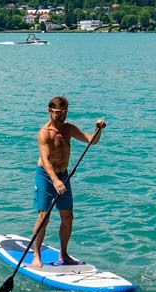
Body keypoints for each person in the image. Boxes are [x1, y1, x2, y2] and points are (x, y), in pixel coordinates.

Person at [26, 95, 105, 268]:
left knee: (68, 216)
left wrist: (98, 129)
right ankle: (36, 254)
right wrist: (54, 180)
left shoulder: (69, 129)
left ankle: (64, 254)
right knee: (44, 216)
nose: (62, 115)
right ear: (50, 111)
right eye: (58, 112)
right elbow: (46, 160)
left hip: (63, 175)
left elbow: (91, 141)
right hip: (46, 176)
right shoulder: (44, 133)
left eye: (65, 112)